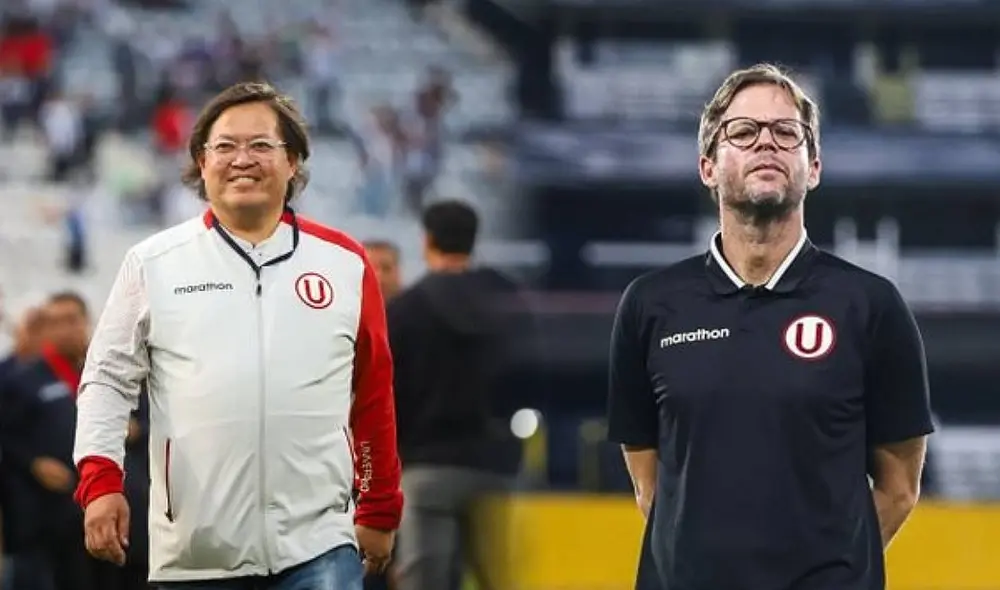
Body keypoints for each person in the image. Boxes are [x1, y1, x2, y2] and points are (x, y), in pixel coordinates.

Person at [606, 63, 934, 590]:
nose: (767, 144)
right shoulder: (650, 305)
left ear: (815, 166)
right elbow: (649, 479)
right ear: (708, 167)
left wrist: (834, 568)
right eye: (743, 131)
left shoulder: (871, 306)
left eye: (787, 133)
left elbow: (900, 487)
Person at [72, 82, 403, 590]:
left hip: (319, 547)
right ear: (201, 164)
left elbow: (373, 393)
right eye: (224, 147)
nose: (241, 159)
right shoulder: (153, 264)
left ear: (293, 161)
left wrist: (379, 506)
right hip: (196, 555)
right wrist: (100, 481)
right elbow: (106, 382)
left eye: (260, 145)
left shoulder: (345, 264)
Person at [388, 201, 522, 590]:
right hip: (494, 466)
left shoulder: (406, 309)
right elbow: (527, 376)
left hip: (425, 467)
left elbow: (390, 394)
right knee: (497, 578)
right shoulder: (506, 300)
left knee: (425, 580)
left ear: (426, 240)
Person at [1, 292, 93, 590]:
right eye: (54, 322)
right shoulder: (21, 378)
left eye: (71, 320)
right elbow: (7, 436)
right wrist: (33, 463)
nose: (64, 329)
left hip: (87, 518)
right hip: (35, 522)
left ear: (87, 322)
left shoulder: (102, 375)